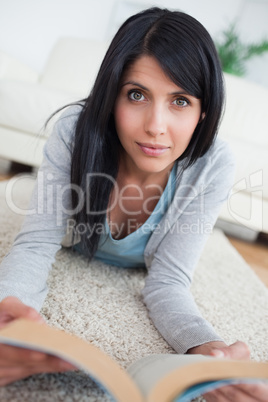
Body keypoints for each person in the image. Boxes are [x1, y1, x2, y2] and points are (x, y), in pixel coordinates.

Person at [0, 7, 267, 401]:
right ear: (112, 96)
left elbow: (168, 282)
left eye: (180, 101)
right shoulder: (75, 132)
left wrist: (206, 349)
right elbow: (36, 244)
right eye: (137, 95)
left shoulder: (213, 164)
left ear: (203, 110)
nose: (156, 125)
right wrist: (8, 313)